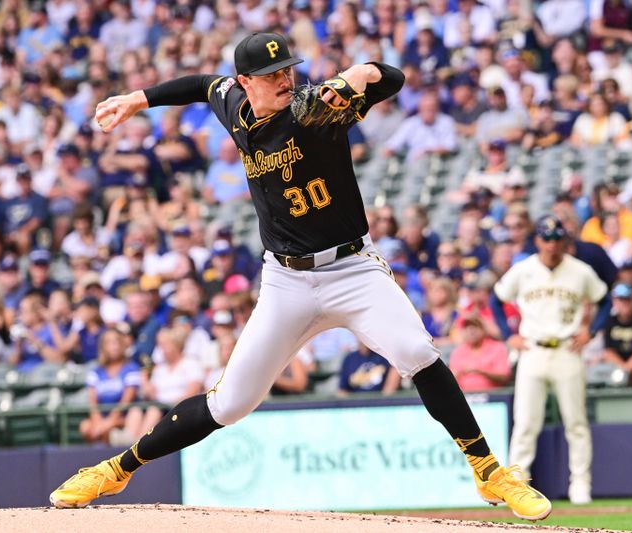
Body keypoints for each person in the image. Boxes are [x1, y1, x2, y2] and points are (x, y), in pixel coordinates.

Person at [50, 32, 552, 521]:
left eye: (288, 68)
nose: (285, 79)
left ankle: (488, 470)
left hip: (352, 269)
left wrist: (363, 73)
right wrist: (140, 98)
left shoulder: (317, 108)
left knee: (417, 352)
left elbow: (392, 80)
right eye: (271, 74)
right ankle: (116, 469)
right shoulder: (234, 104)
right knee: (230, 403)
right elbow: (203, 83)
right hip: (286, 280)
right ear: (245, 82)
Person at [492, 215, 610, 505]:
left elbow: (604, 299)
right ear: (537, 240)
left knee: (576, 423)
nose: (552, 244)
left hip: (567, 350)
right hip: (532, 349)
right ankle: (518, 487)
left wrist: (591, 331)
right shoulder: (523, 270)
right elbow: (497, 298)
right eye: (547, 238)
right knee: (525, 423)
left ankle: (580, 487)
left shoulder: (580, 271)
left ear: (564, 240)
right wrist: (510, 334)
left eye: (557, 238)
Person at [80, 328, 142, 444]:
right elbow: (93, 402)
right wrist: (98, 421)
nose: (114, 346)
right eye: (109, 343)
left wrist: (109, 423)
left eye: (117, 342)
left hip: (125, 418)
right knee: (85, 426)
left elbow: (126, 401)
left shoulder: (131, 368)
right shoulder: (96, 371)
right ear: (103, 347)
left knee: (107, 429)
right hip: (102, 418)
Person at [448, 315, 511, 392]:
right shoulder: (457, 352)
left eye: (475, 326)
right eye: (466, 327)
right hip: (465, 396)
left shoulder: (498, 348)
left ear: (483, 329)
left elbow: (504, 377)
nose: (471, 331)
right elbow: (451, 378)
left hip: (494, 396)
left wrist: (480, 371)